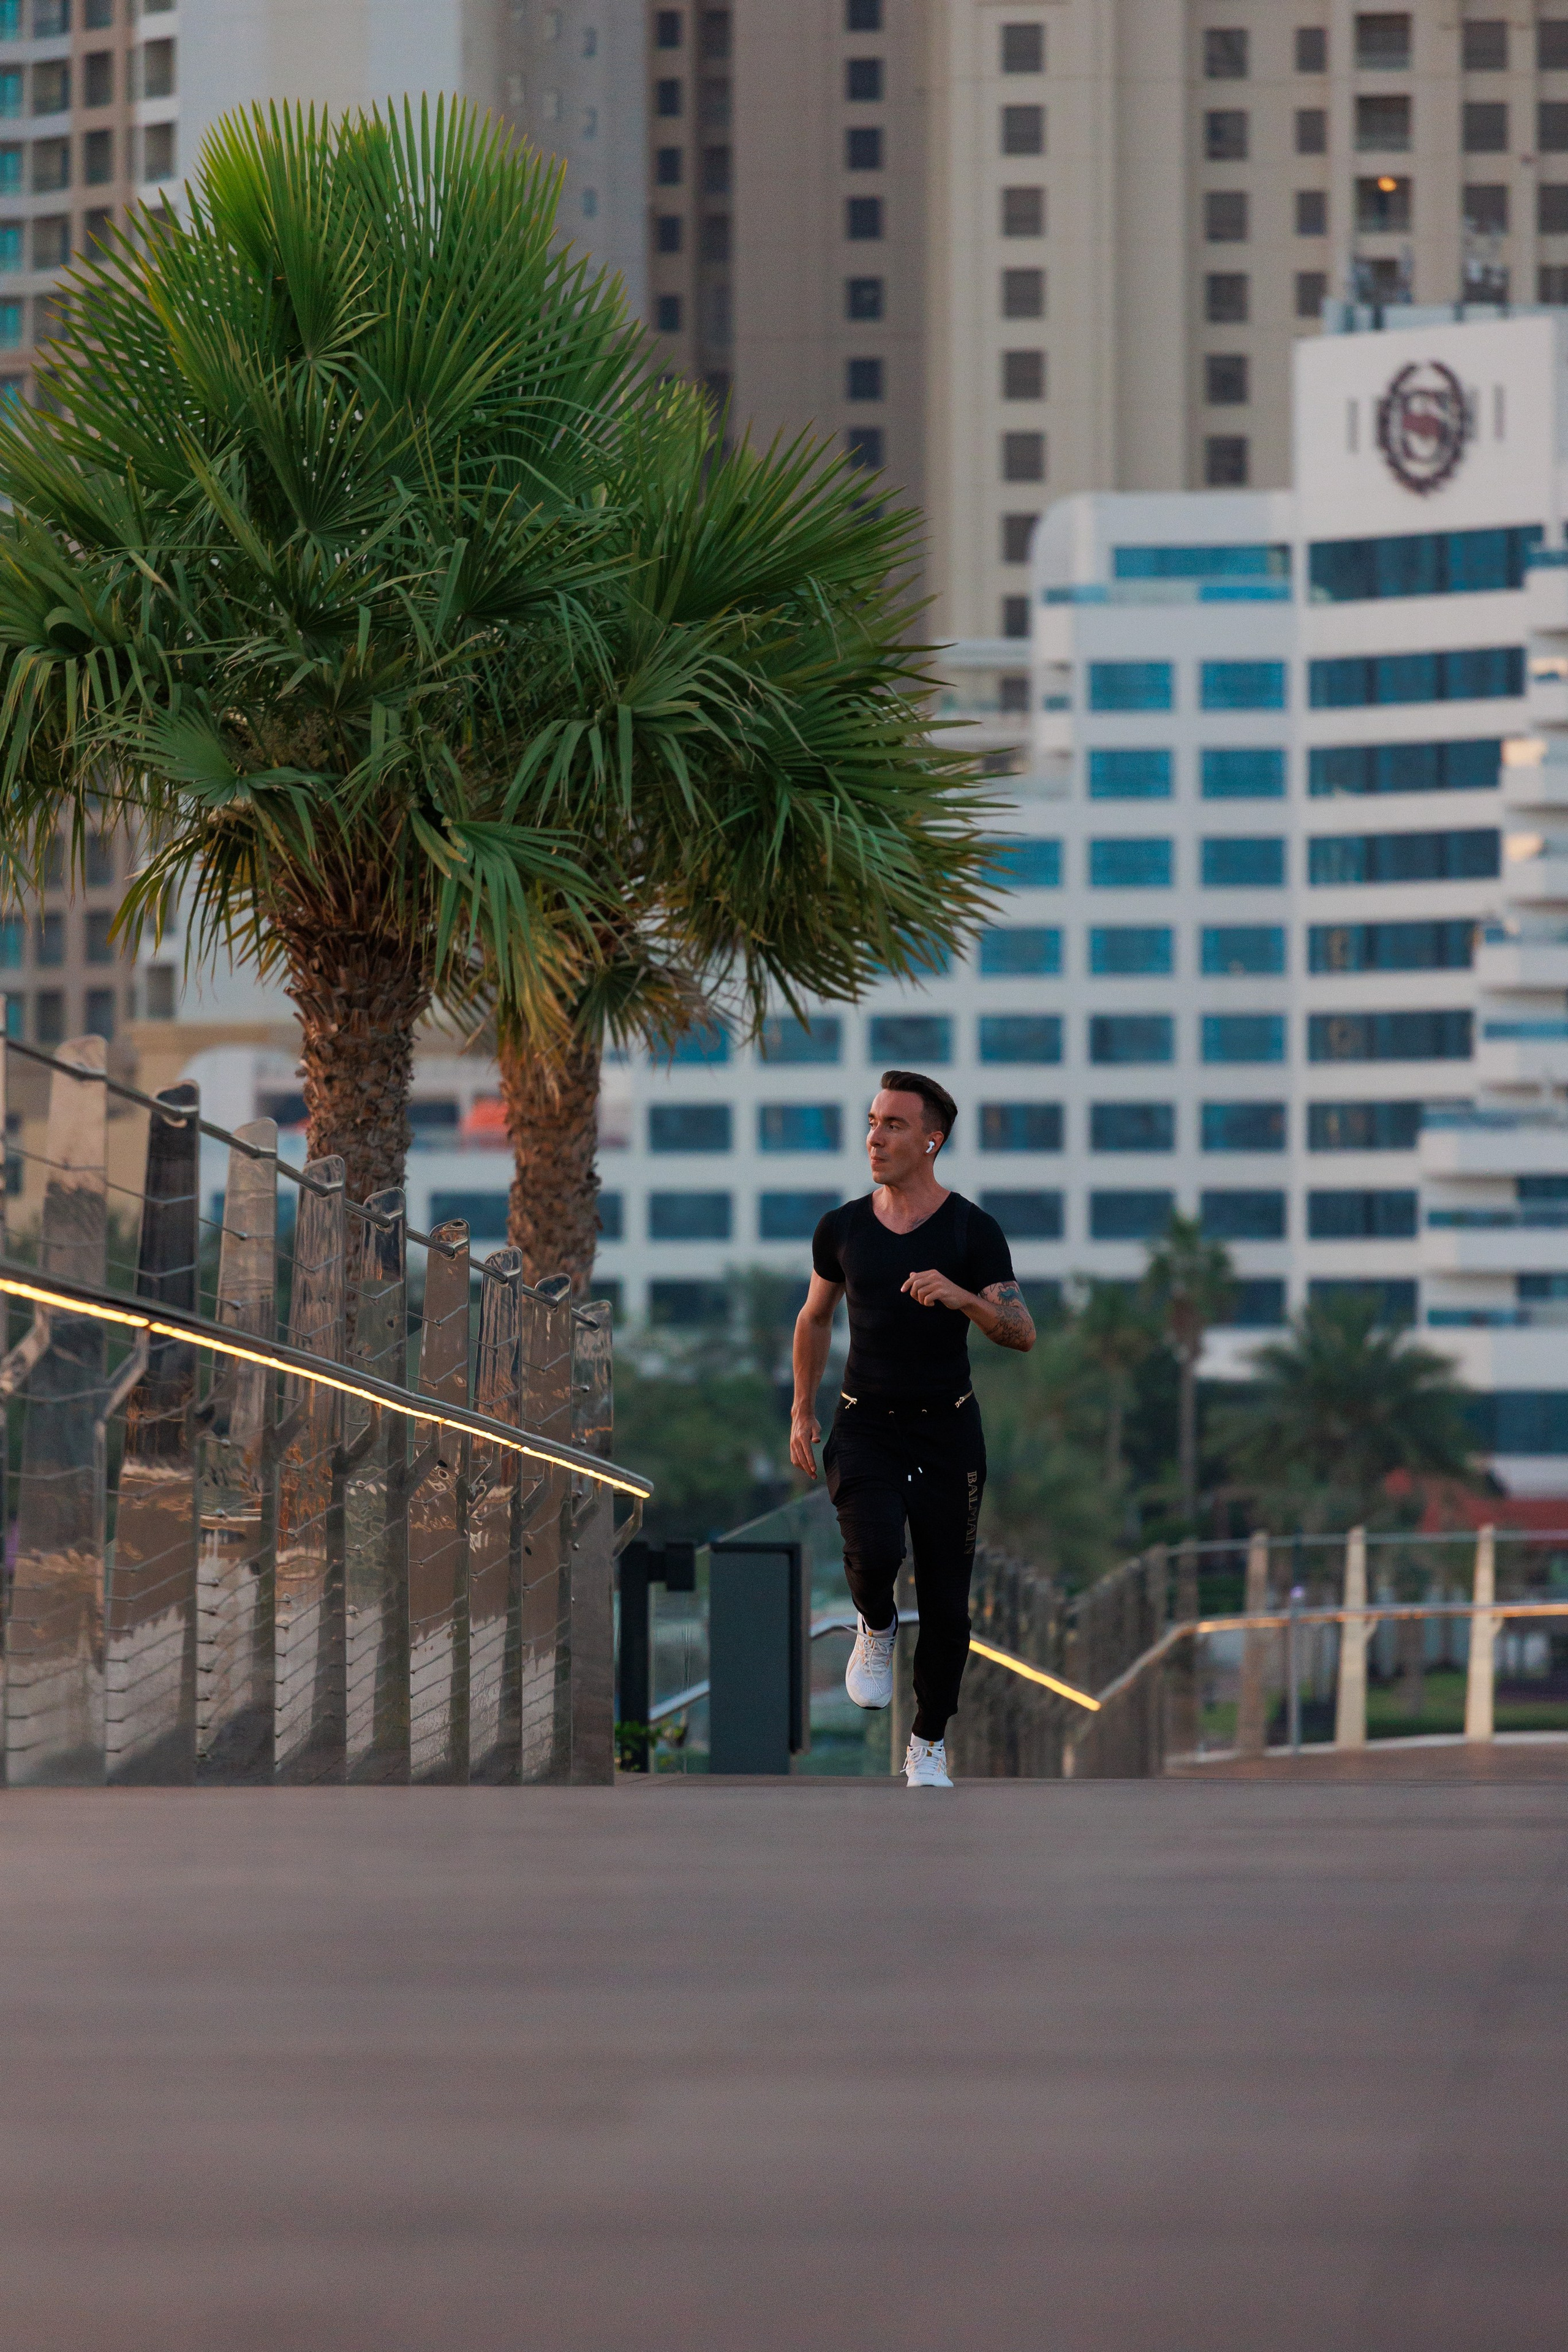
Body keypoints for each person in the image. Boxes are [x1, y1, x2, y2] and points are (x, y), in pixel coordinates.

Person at [790, 1071, 1035, 1788]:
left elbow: (1020, 1332)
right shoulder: (842, 1228)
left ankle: (927, 1744)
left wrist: (963, 1298)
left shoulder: (970, 1230)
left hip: (947, 1432)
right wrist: (803, 1409)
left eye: (894, 1125)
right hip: (863, 1422)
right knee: (870, 1550)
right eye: (872, 1121)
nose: (874, 1137)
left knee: (948, 1600)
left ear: (932, 1140)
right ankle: (874, 1624)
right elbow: (813, 1318)